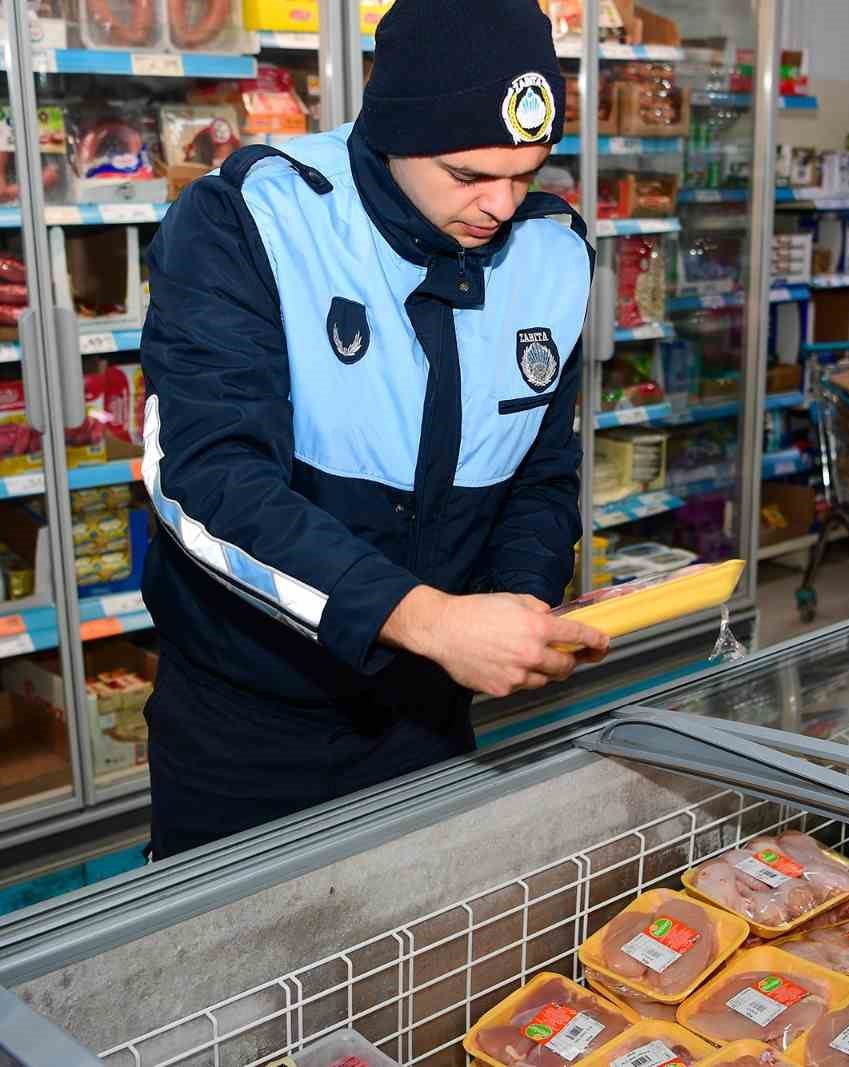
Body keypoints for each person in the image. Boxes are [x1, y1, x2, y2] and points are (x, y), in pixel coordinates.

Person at [138, 0, 608, 859]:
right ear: (392, 131)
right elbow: (208, 485)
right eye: (468, 175)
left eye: (528, 170)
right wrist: (427, 619)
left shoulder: (553, 253)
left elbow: (543, 472)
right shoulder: (250, 222)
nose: (501, 206)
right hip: (250, 725)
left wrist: (523, 600)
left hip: (428, 714)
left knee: (423, 966)